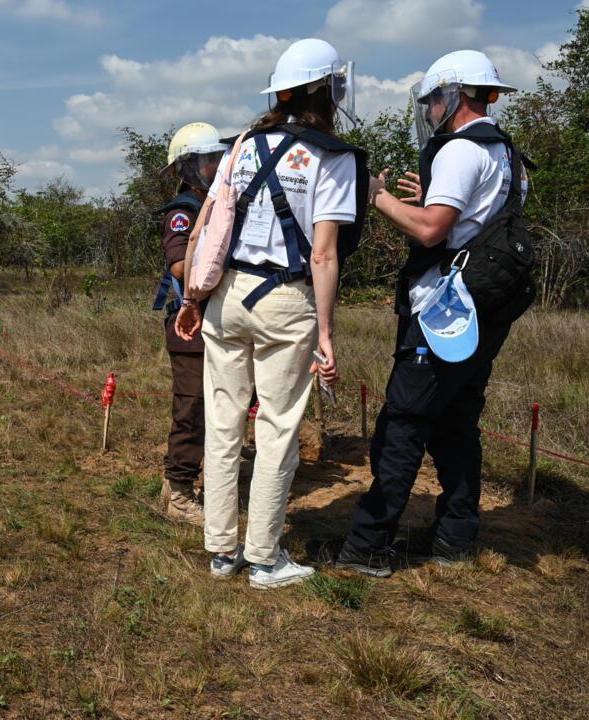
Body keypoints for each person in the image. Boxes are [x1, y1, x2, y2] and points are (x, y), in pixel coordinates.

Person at [308, 50, 526, 577]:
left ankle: (367, 547)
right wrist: (431, 200)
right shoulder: (507, 155)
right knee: (456, 424)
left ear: (452, 96)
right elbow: (471, 222)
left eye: (431, 100)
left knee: (402, 425)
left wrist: (378, 197)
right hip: (484, 314)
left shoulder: (459, 151)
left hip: (443, 314)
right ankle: (454, 538)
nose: (429, 111)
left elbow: (432, 231)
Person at [175, 38, 367, 589]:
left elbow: (214, 228)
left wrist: (193, 298)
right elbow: (325, 252)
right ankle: (263, 557)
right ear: (329, 90)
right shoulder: (332, 158)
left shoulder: (242, 146)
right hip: (287, 300)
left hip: (228, 297)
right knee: (278, 427)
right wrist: (326, 331)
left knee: (223, 419)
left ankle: (219, 550)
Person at [154, 122, 227, 526]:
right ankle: (180, 494)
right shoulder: (184, 212)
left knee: (210, 405)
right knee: (192, 407)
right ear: (186, 168)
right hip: (188, 323)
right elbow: (181, 265)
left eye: (216, 158)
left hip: (210, 318)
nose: (213, 166)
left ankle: (177, 481)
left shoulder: (217, 204)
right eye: (204, 161)